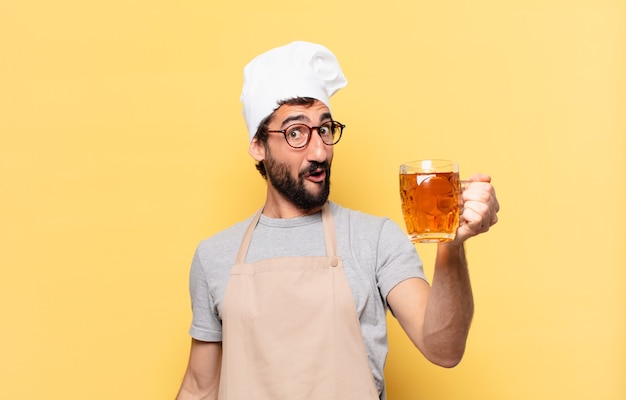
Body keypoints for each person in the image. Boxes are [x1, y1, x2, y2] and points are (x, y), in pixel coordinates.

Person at [176, 41, 500, 400]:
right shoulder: (214, 256)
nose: (319, 151)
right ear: (257, 144)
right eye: (296, 132)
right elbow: (200, 387)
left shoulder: (374, 239)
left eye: (325, 129)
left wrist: (450, 247)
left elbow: (444, 348)